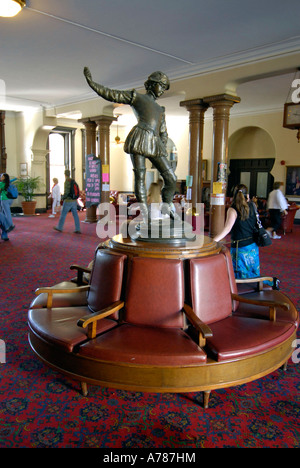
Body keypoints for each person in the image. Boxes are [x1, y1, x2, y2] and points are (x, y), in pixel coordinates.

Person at [83, 67, 179, 222]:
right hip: (140, 137)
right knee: (140, 176)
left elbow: (163, 132)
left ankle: (167, 207)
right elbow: (112, 94)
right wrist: (92, 83)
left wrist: (161, 145)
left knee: (171, 177)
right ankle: (146, 214)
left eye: (163, 87)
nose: (161, 90)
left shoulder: (161, 109)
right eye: (160, 85)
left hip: (154, 142)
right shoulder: (137, 97)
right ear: (150, 84)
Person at [213, 184, 260, 279]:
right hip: (252, 246)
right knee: (253, 271)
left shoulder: (233, 209)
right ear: (247, 196)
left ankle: (239, 291)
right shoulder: (253, 206)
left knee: (239, 273)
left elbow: (227, 229)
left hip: (239, 247)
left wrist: (213, 241)